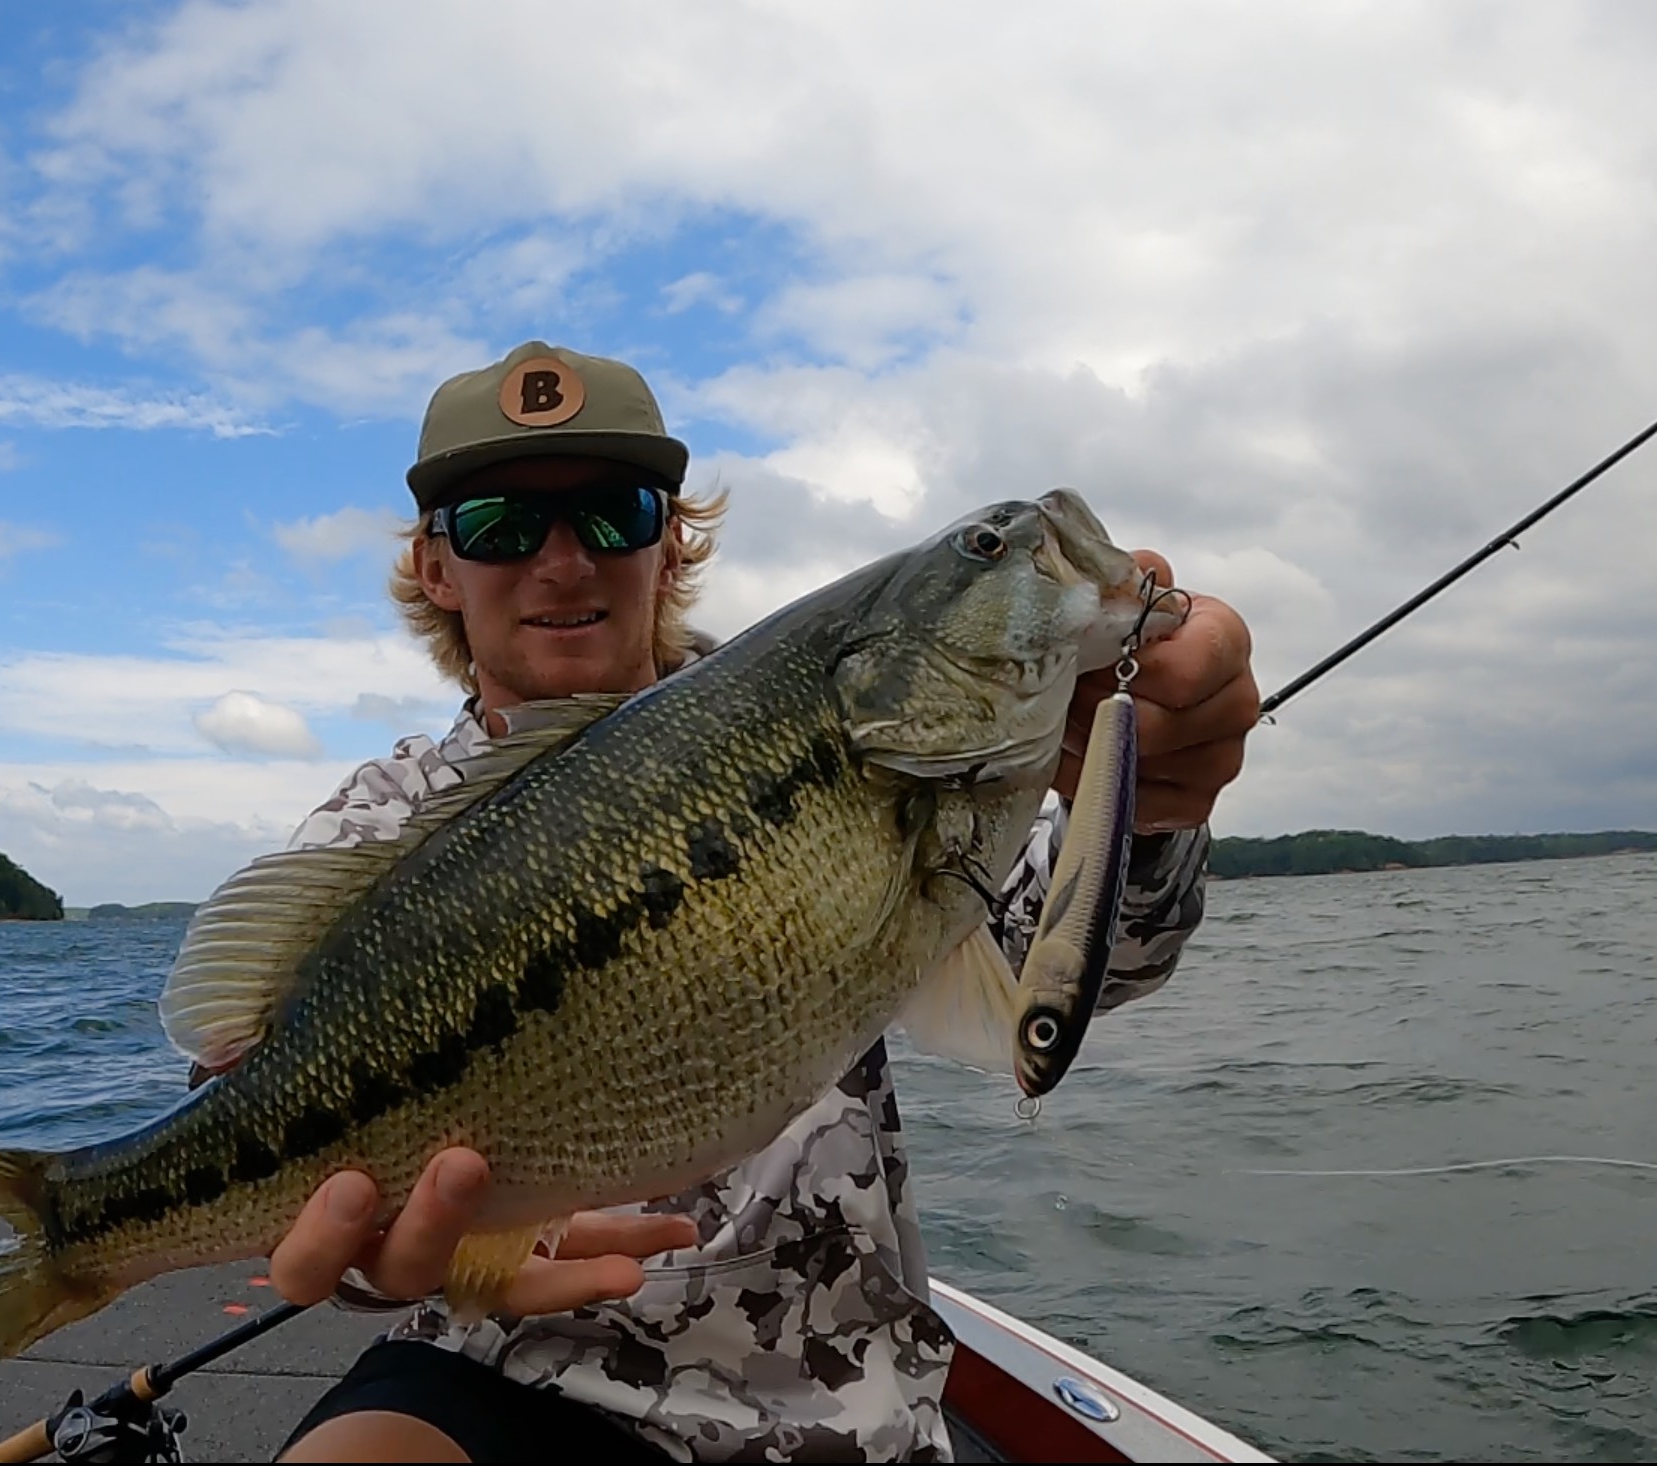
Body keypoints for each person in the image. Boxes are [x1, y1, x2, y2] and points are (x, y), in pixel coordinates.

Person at [260, 341, 1258, 1463]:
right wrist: (357, 1249)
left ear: (668, 538)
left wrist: (1150, 800)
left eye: (610, 511)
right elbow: (264, 1110)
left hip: (844, 1408)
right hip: (512, 1372)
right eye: (497, 523)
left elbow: (1078, 967)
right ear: (437, 566)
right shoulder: (376, 829)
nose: (559, 561)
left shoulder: (833, 723)